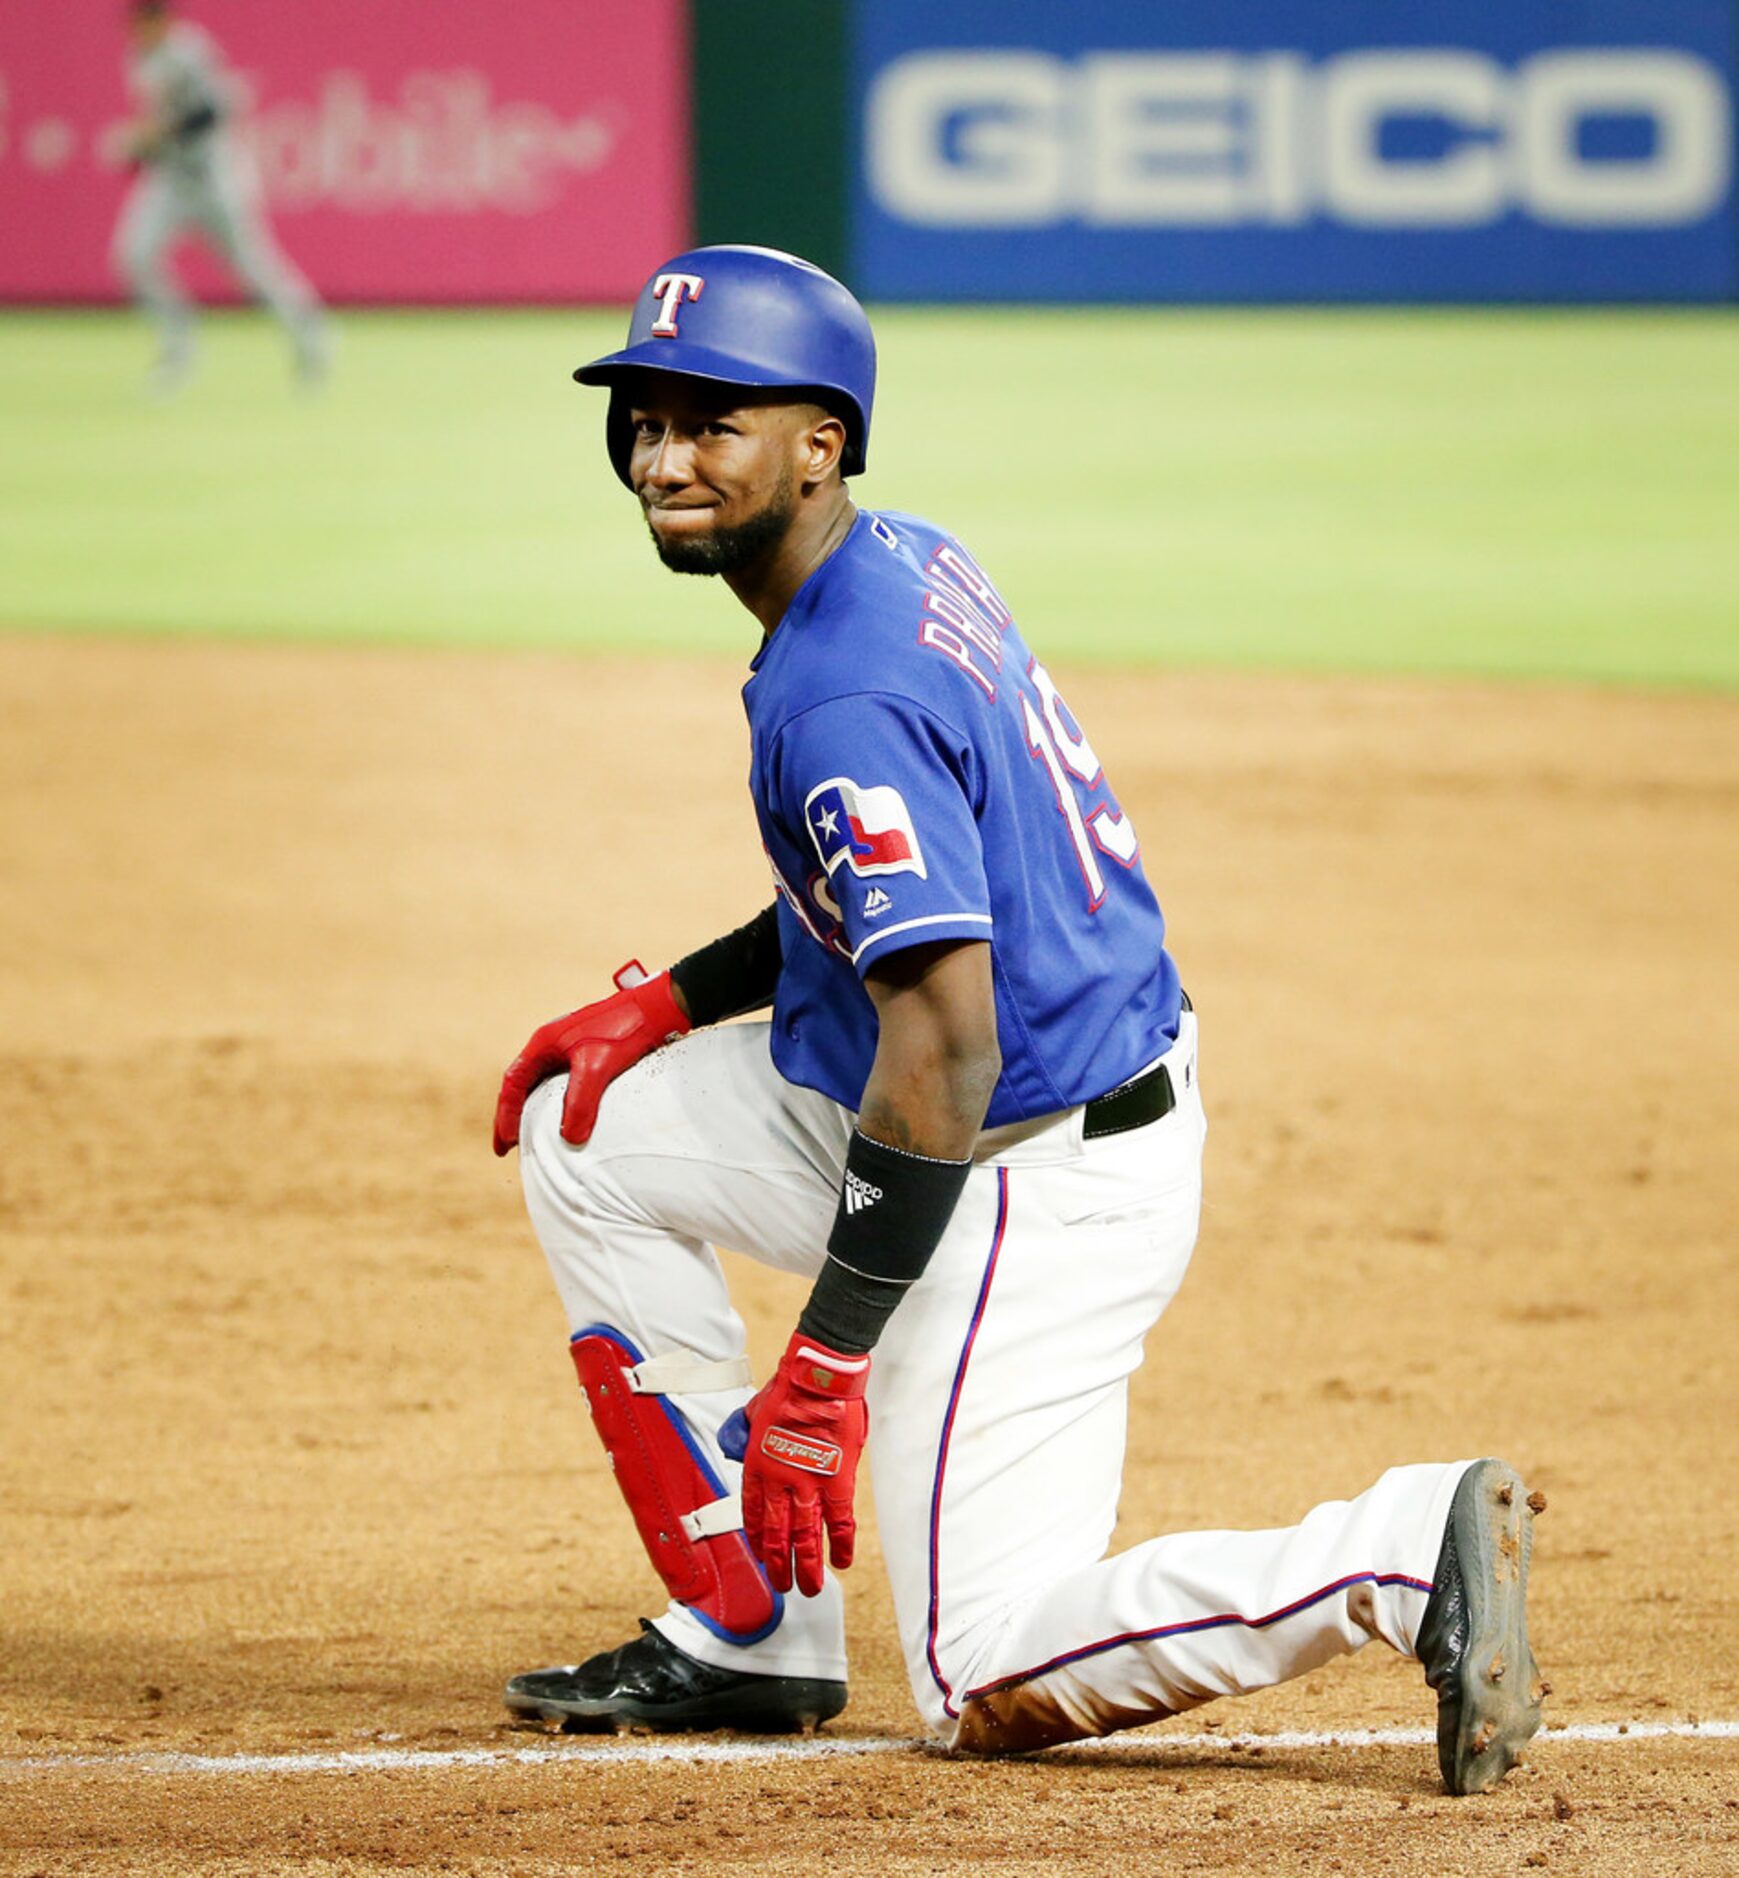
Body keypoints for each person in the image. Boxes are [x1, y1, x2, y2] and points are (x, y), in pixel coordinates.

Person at [491, 245, 1546, 1792]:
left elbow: (947, 1041)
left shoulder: (842, 687)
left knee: (977, 1666)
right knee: (592, 1130)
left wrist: (822, 1369)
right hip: (987, 1099)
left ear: (818, 442)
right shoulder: (894, 558)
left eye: (712, 421)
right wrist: (664, 1001)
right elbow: (895, 903)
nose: (664, 455)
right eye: (644, 419)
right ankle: (752, 1621)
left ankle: (1393, 1555)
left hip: (1032, 1171)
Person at [111, 0, 329, 394]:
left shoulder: (189, 51)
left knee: (252, 269)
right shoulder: (138, 58)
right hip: (170, 180)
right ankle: (178, 348)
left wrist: (156, 135)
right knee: (134, 255)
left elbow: (214, 110)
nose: (136, 28)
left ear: (161, 18)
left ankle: (310, 338)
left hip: (215, 179)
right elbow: (154, 124)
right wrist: (138, 147)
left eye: (143, 20)